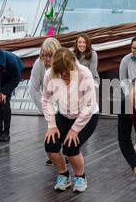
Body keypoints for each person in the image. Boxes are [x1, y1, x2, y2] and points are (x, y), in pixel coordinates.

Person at [42, 48, 99, 192]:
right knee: (50, 145)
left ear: (73, 65)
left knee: (71, 148)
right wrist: (51, 124)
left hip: (87, 116)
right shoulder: (49, 74)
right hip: (64, 115)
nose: (64, 77)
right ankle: (64, 174)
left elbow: (89, 104)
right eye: (61, 74)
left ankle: (81, 177)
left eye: (67, 73)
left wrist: (75, 130)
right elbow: (46, 99)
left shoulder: (84, 73)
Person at [28, 38, 66, 166]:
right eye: (45, 55)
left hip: (66, 103)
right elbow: (33, 90)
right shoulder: (39, 65)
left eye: (51, 56)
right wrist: (45, 110)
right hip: (49, 103)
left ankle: (64, 154)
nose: (47, 59)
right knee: (53, 132)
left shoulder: (66, 63)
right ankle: (55, 154)